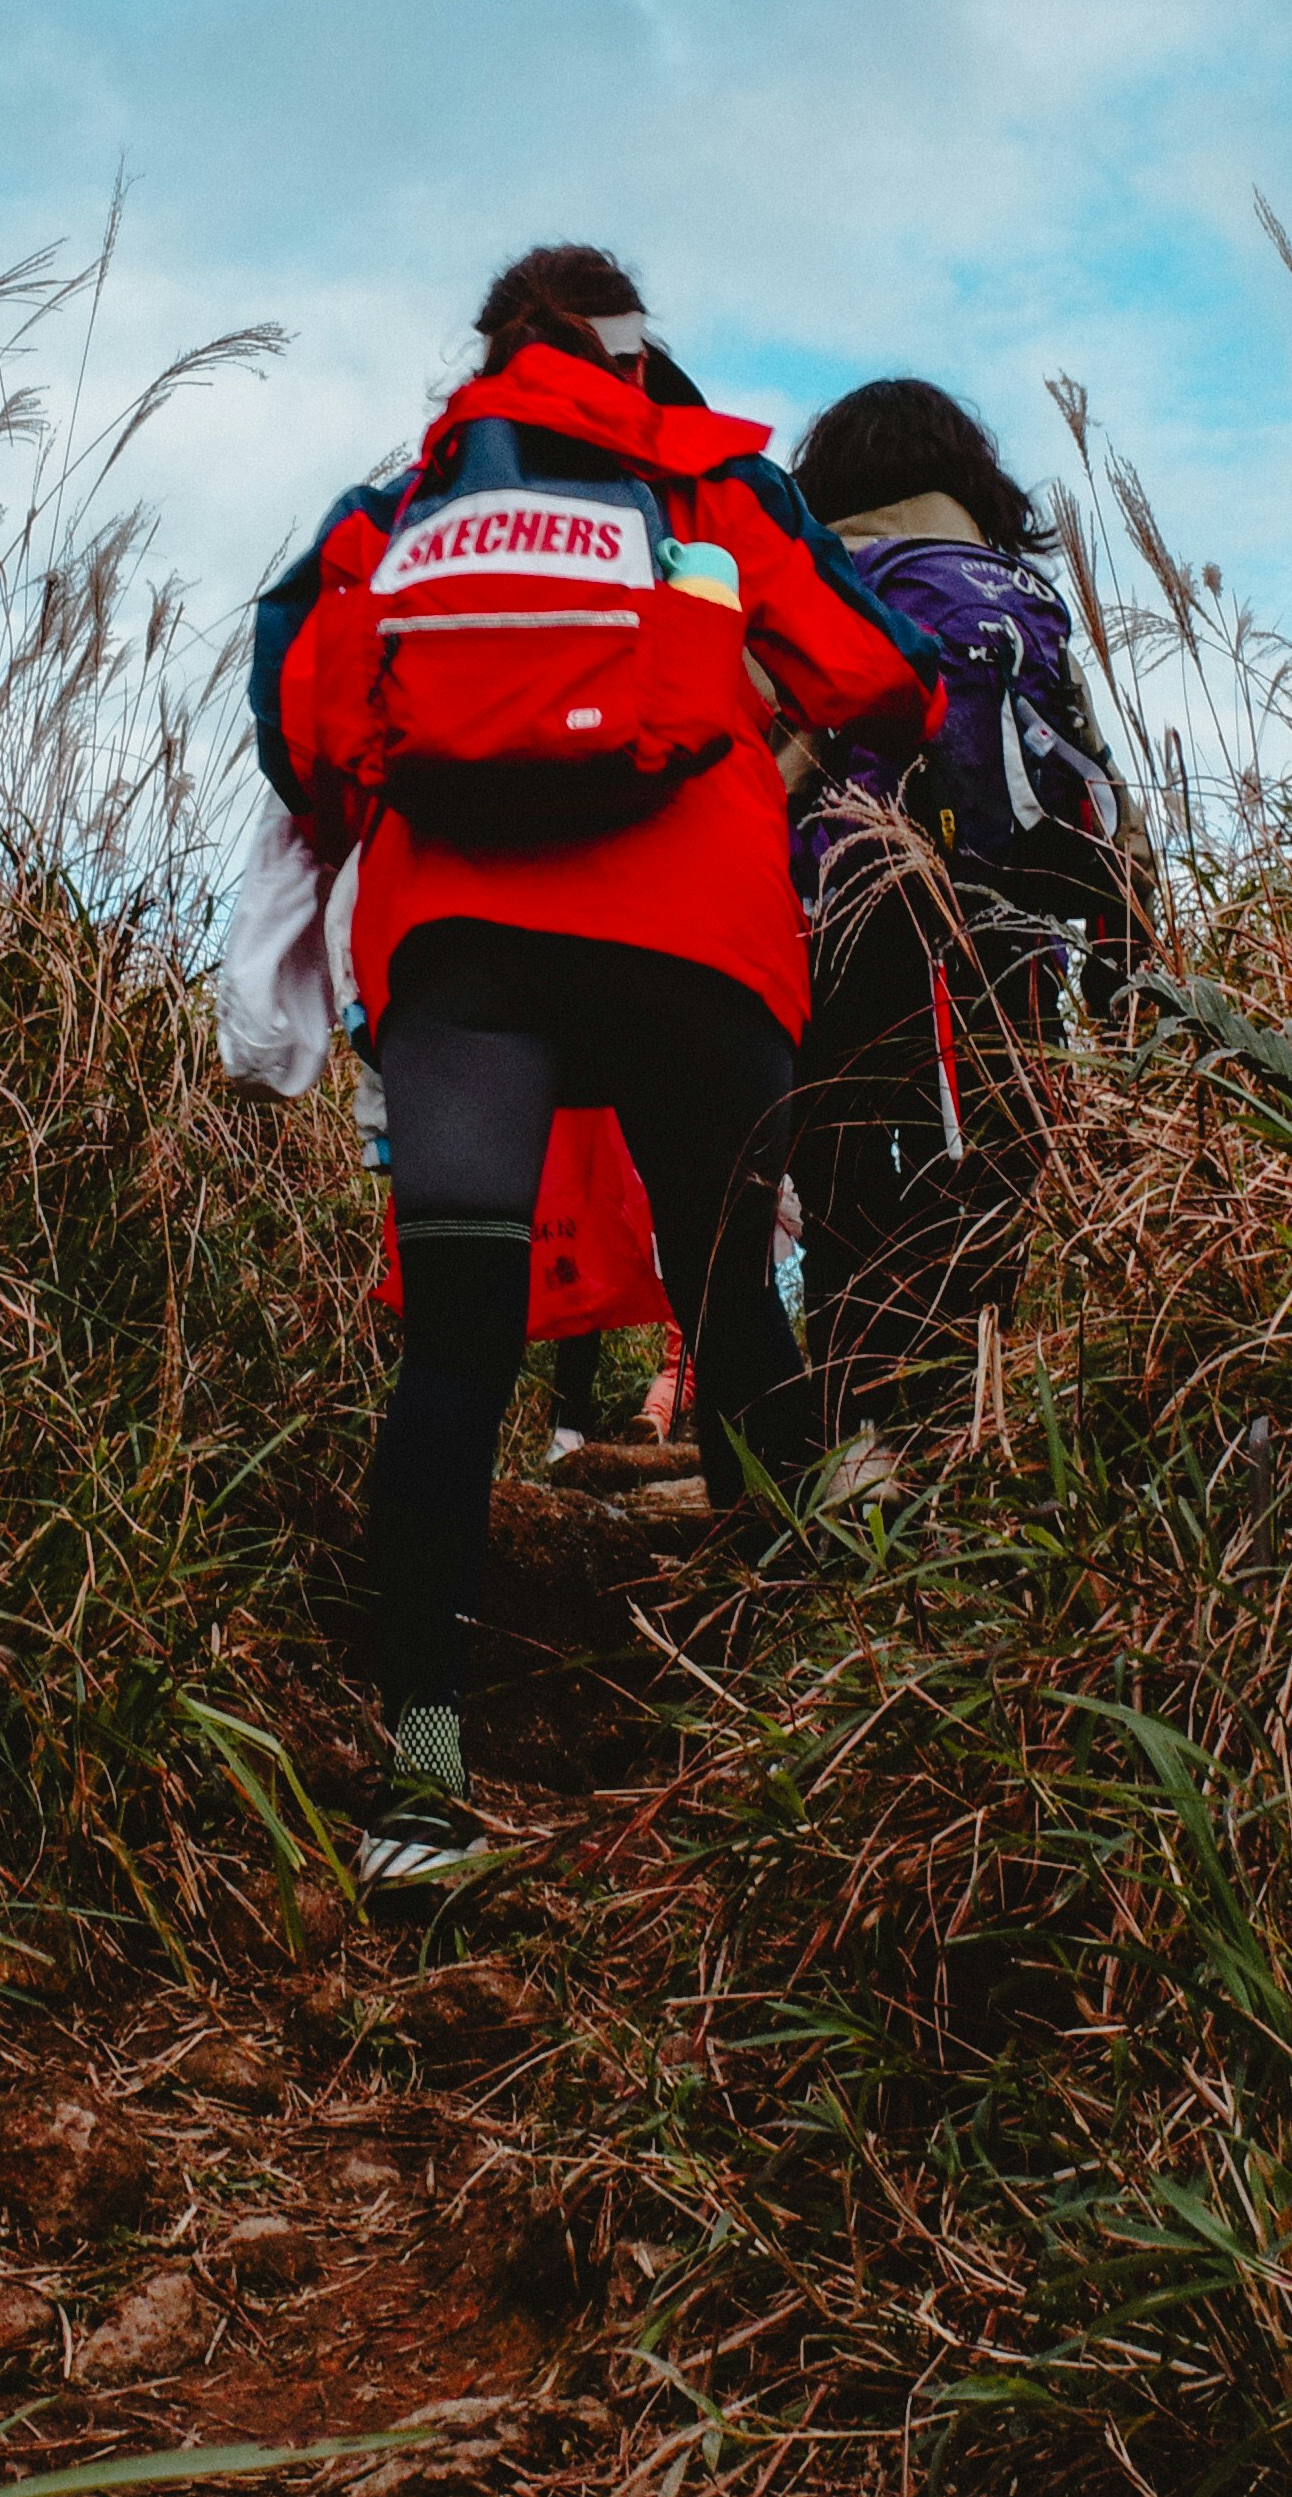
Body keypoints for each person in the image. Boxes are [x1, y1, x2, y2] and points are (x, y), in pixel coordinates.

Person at [255, 242, 938, 1890]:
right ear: (638, 353)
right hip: (694, 951)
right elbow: (880, 683)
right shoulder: (715, 482)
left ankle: (422, 1788)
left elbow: (305, 735)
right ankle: (812, 1733)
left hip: (461, 960)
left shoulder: (386, 512)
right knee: (732, 1318)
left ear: (483, 356)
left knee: (454, 1360)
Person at [781, 374, 1135, 1442]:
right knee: (994, 1174)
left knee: (845, 1190)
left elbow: (770, 767)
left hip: (841, 931)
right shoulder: (1014, 598)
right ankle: (973, 1428)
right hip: (1009, 938)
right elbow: (1095, 785)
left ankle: (858, 1450)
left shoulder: (812, 583)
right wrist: (1127, 945)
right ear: (969, 475)